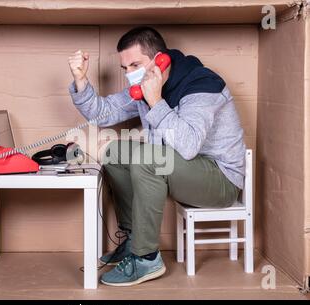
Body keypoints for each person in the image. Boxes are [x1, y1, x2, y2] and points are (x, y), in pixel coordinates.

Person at [68, 26, 246, 286]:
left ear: (159, 60)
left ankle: (146, 258)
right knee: (115, 152)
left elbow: (188, 145)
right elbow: (102, 114)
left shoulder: (202, 85)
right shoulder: (148, 85)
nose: (129, 74)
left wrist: (155, 101)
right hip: (184, 170)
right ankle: (133, 240)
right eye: (125, 68)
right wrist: (80, 80)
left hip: (220, 179)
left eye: (135, 65)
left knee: (148, 159)